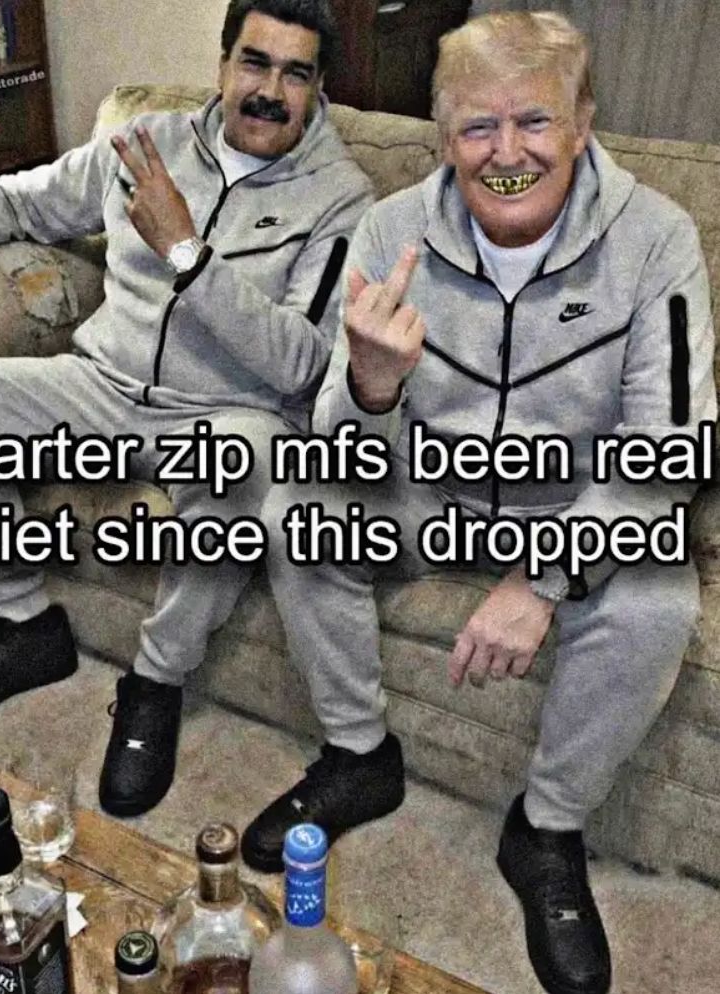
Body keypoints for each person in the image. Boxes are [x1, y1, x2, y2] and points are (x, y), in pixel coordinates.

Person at [241, 12, 716, 994]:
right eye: (477, 127)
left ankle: (546, 829)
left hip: (570, 508)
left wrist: (543, 581)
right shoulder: (390, 230)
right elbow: (338, 435)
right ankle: (359, 755)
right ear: (442, 133)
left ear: (582, 121)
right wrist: (371, 384)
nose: (507, 153)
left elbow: (668, 447)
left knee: (658, 596)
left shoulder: (659, 240)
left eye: (533, 121)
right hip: (429, 490)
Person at [0, 0, 372, 819]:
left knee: (251, 457)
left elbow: (303, 365)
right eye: (255, 62)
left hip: (224, 415)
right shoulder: (147, 145)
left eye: (296, 74)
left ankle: (156, 682)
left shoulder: (342, 201)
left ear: (319, 86)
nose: (270, 91)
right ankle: (23, 626)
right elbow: (19, 201)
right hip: (100, 387)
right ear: (222, 64)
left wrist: (188, 253)